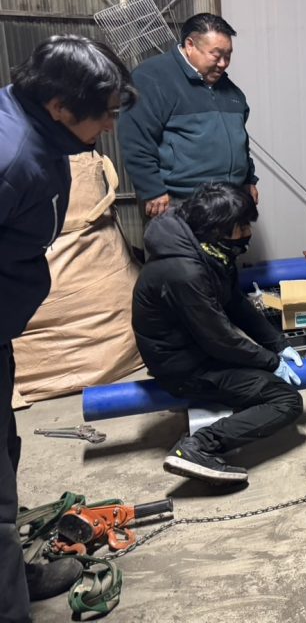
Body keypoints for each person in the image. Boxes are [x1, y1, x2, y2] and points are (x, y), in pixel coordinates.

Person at [0, 35, 136, 622]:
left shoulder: (38, 129)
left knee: (7, 457)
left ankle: (10, 576)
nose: (109, 125)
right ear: (59, 106)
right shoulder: (10, 158)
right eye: (103, 113)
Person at [132, 182, 302, 484]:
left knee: (262, 374)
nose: (247, 232)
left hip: (195, 349)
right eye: (241, 226)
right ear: (217, 230)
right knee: (285, 400)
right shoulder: (184, 271)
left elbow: (235, 302)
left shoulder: (208, 251)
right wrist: (270, 362)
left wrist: (277, 344)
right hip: (184, 367)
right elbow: (219, 338)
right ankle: (198, 446)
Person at [117, 13, 259, 219]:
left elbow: (240, 142)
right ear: (190, 45)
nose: (223, 63)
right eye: (216, 55)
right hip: (178, 202)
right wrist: (152, 189)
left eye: (228, 56)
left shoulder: (229, 90)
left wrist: (248, 180)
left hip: (228, 200)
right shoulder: (151, 78)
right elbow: (135, 140)